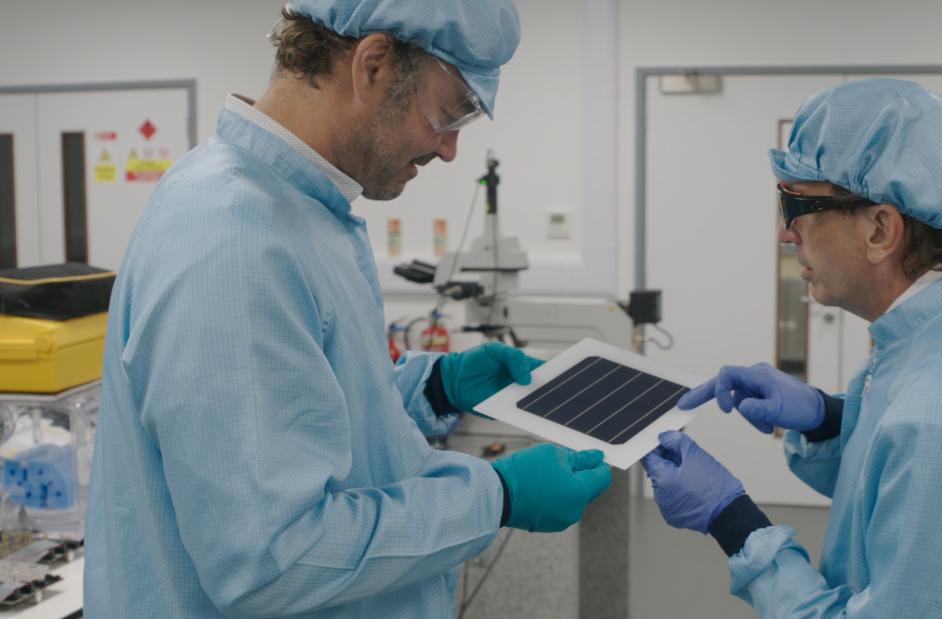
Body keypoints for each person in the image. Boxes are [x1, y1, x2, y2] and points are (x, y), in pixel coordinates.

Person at [84, 1, 611, 617]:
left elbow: (298, 412)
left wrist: (433, 388)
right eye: (449, 112)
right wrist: (495, 497)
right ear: (375, 66)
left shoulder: (297, 209)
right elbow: (274, 559)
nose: (449, 151)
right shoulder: (232, 240)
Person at [642, 78, 942, 617]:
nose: (785, 235)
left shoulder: (939, 417)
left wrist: (731, 519)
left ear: (881, 229)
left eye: (795, 205)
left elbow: (932, 455)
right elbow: (928, 501)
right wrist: (828, 418)